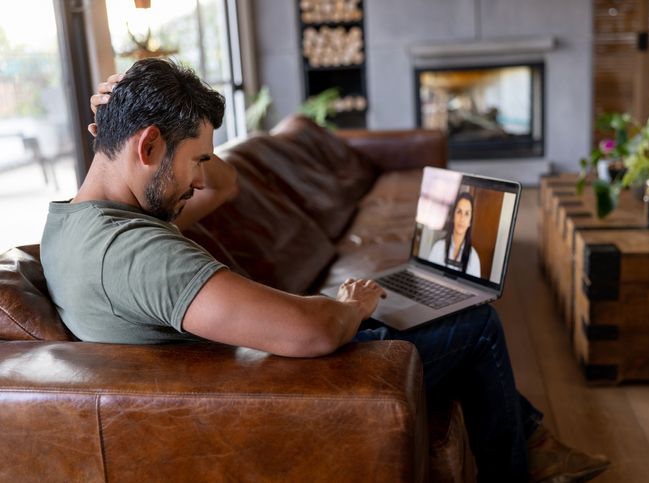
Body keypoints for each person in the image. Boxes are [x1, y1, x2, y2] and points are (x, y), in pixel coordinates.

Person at [42, 58, 609, 482]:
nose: (198, 181)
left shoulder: (77, 226)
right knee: (478, 327)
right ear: (148, 147)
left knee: (440, 315)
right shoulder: (138, 254)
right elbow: (308, 332)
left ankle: (532, 437)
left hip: (256, 370)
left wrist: (139, 116)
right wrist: (351, 306)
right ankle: (523, 465)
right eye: (195, 160)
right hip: (286, 389)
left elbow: (227, 183)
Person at [427, 191, 481, 277]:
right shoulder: (438, 248)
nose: (462, 219)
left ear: (470, 221)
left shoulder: (474, 258)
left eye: (467, 214)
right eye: (459, 212)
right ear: (453, 216)